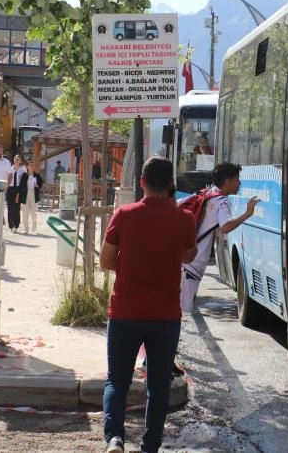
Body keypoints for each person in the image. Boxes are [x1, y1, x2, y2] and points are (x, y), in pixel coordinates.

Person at [99, 156, 197, 453]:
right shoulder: (185, 218)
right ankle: (150, 445)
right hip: (165, 316)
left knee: (117, 380)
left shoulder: (124, 215)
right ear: (171, 184)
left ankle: (115, 438)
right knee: (158, 385)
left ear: (141, 183)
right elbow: (188, 255)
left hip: (126, 311)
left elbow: (105, 261)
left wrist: (132, 265)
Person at [180, 162, 260, 314]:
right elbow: (226, 226)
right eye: (237, 179)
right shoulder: (222, 202)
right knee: (182, 313)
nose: (239, 183)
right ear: (228, 181)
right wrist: (248, 213)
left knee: (177, 311)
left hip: (183, 263)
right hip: (192, 266)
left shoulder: (207, 193)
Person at [6, 154, 29, 233]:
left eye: (18, 159)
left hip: (18, 190)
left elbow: (24, 182)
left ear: (21, 161)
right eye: (15, 158)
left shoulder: (23, 170)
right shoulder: (9, 169)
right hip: (10, 189)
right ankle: (11, 225)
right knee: (10, 207)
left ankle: (16, 224)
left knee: (16, 207)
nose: (16, 160)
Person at [25, 169, 43, 233]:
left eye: (32, 166)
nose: (31, 167)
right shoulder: (25, 175)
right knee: (25, 212)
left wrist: (37, 185)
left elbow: (40, 184)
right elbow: (21, 185)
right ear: (28, 167)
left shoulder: (37, 175)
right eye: (29, 165)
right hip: (26, 194)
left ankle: (34, 228)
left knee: (33, 213)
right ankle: (26, 229)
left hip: (34, 194)